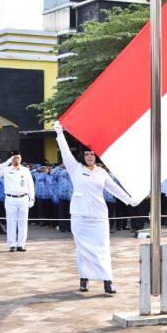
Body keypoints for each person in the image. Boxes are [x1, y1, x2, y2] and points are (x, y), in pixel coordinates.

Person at [54, 121, 133, 294]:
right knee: (82, 249)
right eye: (87, 154)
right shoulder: (75, 169)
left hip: (98, 216)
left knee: (102, 247)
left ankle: (108, 280)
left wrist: (130, 200)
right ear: (83, 155)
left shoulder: (101, 172)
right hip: (80, 216)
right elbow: (66, 153)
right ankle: (84, 279)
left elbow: (115, 189)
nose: (90, 156)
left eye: (92, 154)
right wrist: (60, 133)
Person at [0, 152, 34, 251]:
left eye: (18, 158)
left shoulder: (25, 170)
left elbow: (30, 185)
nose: (16, 160)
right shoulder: (6, 169)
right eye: (14, 158)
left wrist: (32, 198)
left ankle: (21, 244)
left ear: (21, 158)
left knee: (23, 222)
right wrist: (7, 162)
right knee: (11, 222)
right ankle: (12, 244)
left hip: (23, 198)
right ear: (11, 159)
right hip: (10, 199)